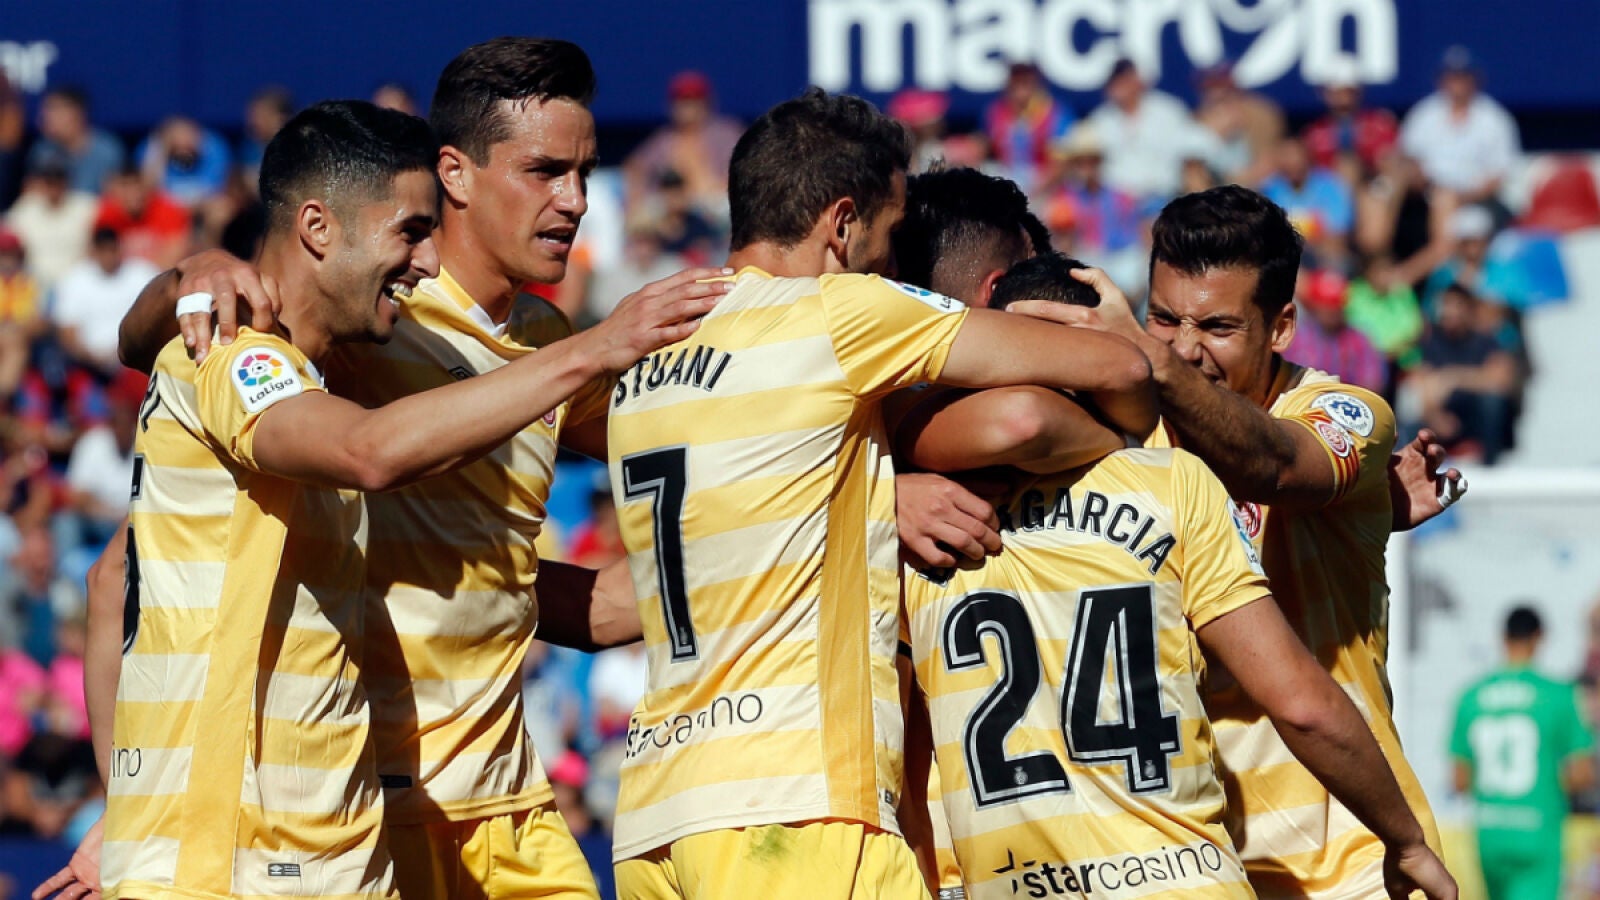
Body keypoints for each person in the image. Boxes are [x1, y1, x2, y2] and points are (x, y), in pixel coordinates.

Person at [109, 38, 728, 900]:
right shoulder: (366, 319)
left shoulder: (541, 343)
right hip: (366, 803)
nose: (577, 201)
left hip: (495, 799)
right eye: (545, 171)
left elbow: (505, 575)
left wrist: (859, 503)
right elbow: (189, 370)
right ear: (455, 174)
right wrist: (195, 272)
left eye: (586, 173)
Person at [605, 88, 1158, 899]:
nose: (893, 261)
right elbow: (1117, 370)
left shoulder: (649, 352)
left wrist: (877, 484)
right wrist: (1124, 442)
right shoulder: (841, 312)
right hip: (796, 812)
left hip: (656, 820)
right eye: (892, 233)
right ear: (842, 225)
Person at [894, 254, 1453, 900]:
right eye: (1161, 324)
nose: (1183, 349)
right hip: (1185, 871)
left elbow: (1278, 467)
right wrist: (1408, 841)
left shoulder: (918, 521)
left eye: (1216, 326)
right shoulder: (1168, 477)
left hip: (1321, 863)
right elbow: (1301, 703)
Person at [1452, 606, 1596, 900]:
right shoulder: (1559, 695)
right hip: (1537, 831)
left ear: (1502, 638)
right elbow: (1582, 773)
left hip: (1490, 833)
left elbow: (1460, 780)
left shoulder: (1471, 696)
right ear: (1539, 637)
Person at [1399, 47, 1520, 217]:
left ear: (1475, 80)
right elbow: (1408, 159)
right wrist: (1424, 185)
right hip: (1427, 197)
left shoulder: (1494, 119)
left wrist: (1460, 198)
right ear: (1441, 80)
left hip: (1480, 200)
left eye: (1463, 76)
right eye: (1452, 76)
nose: (1457, 83)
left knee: (1469, 220)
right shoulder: (1423, 114)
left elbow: (1501, 174)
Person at [50, 228, 162, 379]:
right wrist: (93, 358)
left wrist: (124, 353)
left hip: (134, 361)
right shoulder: (75, 280)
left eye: (112, 250)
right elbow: (67, 332)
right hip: (87, 365)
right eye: (103, 251)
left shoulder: (142, 274)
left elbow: (156, 319)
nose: (109, 257)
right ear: (94, 252)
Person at [1085, 59, 1196, 206]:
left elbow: (1191, 154)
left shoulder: (1169, 112)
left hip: (1166, 196)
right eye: (1114, 82)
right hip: (1119, 203)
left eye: (1123, 80)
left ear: (1136, 80)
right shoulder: (1100, 120)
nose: (1119, 87)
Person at [25, 87, 124, 195]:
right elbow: (33, 193)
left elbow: (118, 195)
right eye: (45, 111)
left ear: (78, 113)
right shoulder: (42, 152)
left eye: (54, 110)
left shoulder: (107, 151)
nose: (46, 117)